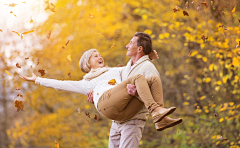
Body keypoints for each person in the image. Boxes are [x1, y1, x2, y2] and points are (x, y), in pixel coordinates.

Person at [20, 49, 177, 125]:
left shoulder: (116, 71)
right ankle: (155, 110)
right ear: (88, 63)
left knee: (153, 79)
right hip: (105, 103)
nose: (100, 57)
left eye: (100, 55)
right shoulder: (86, 83)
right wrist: (37, 80)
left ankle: (161, 120)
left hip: (122, 114)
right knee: (137, 78)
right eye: (96, 56)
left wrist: (147, 57)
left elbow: (133, 66)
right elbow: (61, 85)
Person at [87, 32, 182, 148]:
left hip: (133, 121)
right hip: (117, 122)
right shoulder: (126, 68)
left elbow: (154, 91)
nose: (127, 45)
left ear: (139, 49)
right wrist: (97, 97)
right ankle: (162, 118)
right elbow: (113, 87)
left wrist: (137, 93)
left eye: (130, 43)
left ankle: (161, 117)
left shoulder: (148, 67)